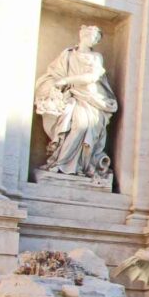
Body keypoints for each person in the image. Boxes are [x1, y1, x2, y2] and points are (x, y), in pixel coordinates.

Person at [34, 25, 118, 180]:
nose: (92, 39)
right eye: (89, 35)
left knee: (82, 125)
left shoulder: (96, 57)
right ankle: (60, 163)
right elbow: (54, 73)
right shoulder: (67, 55)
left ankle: (70, 165)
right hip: (71, 96)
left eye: (95, 37)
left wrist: (66, 80)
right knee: (68, 124)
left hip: (91, 99)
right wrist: (55, 85)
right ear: (81, 35)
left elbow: (92, 77)